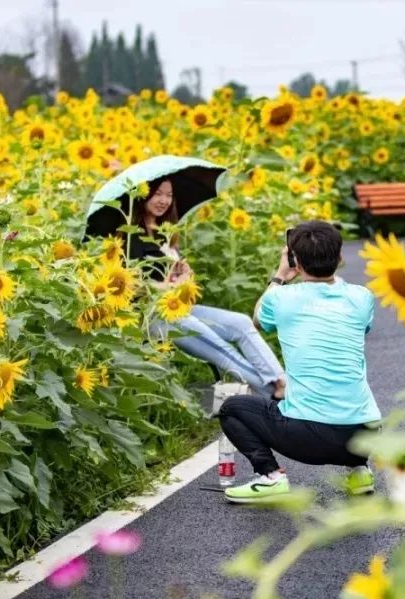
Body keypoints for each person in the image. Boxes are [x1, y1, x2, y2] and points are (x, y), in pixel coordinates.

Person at [217, 221, 381, 503]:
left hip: (309, 439)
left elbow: (257, 320)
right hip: (365, 433)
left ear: (296, 260)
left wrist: (280, 275)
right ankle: (359, 470)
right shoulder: (361, 297)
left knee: (232, 408)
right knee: (346, 390)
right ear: (340, 258)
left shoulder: (281, 298)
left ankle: (271, 477)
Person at [127, 177, 287, 399]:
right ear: (143, 195)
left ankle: (281, 380)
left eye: (169, 195)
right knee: (221, 350)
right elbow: (134, 286)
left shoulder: (165, 234)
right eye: (158, 193)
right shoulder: (131, 237)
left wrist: (186, 276)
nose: (164, 200)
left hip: (180, 308)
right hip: (155, 317)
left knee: (240, 323)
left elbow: (183, 283)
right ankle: (277, 393)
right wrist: (171, 285)